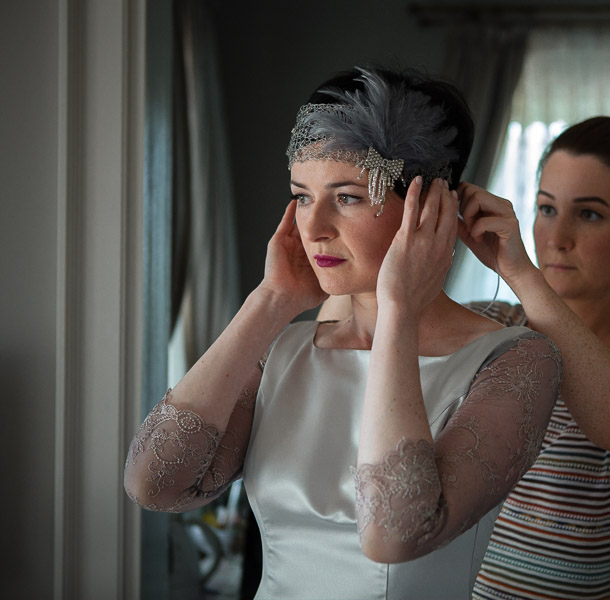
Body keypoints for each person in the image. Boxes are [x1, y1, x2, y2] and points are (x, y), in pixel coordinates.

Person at [123, 66, 562, 600]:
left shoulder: (518, 361)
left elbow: (392, 534)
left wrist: (398, 310)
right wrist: (270, 302)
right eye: (302, 196)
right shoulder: (283, 352)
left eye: (348, 196)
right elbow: (154, 485)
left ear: (430, 209)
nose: (314, 227)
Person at [449, 116, 610, 599]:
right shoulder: (491, 326)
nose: (556, 237)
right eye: (546, 208)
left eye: (589, 214)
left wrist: (523, 275)